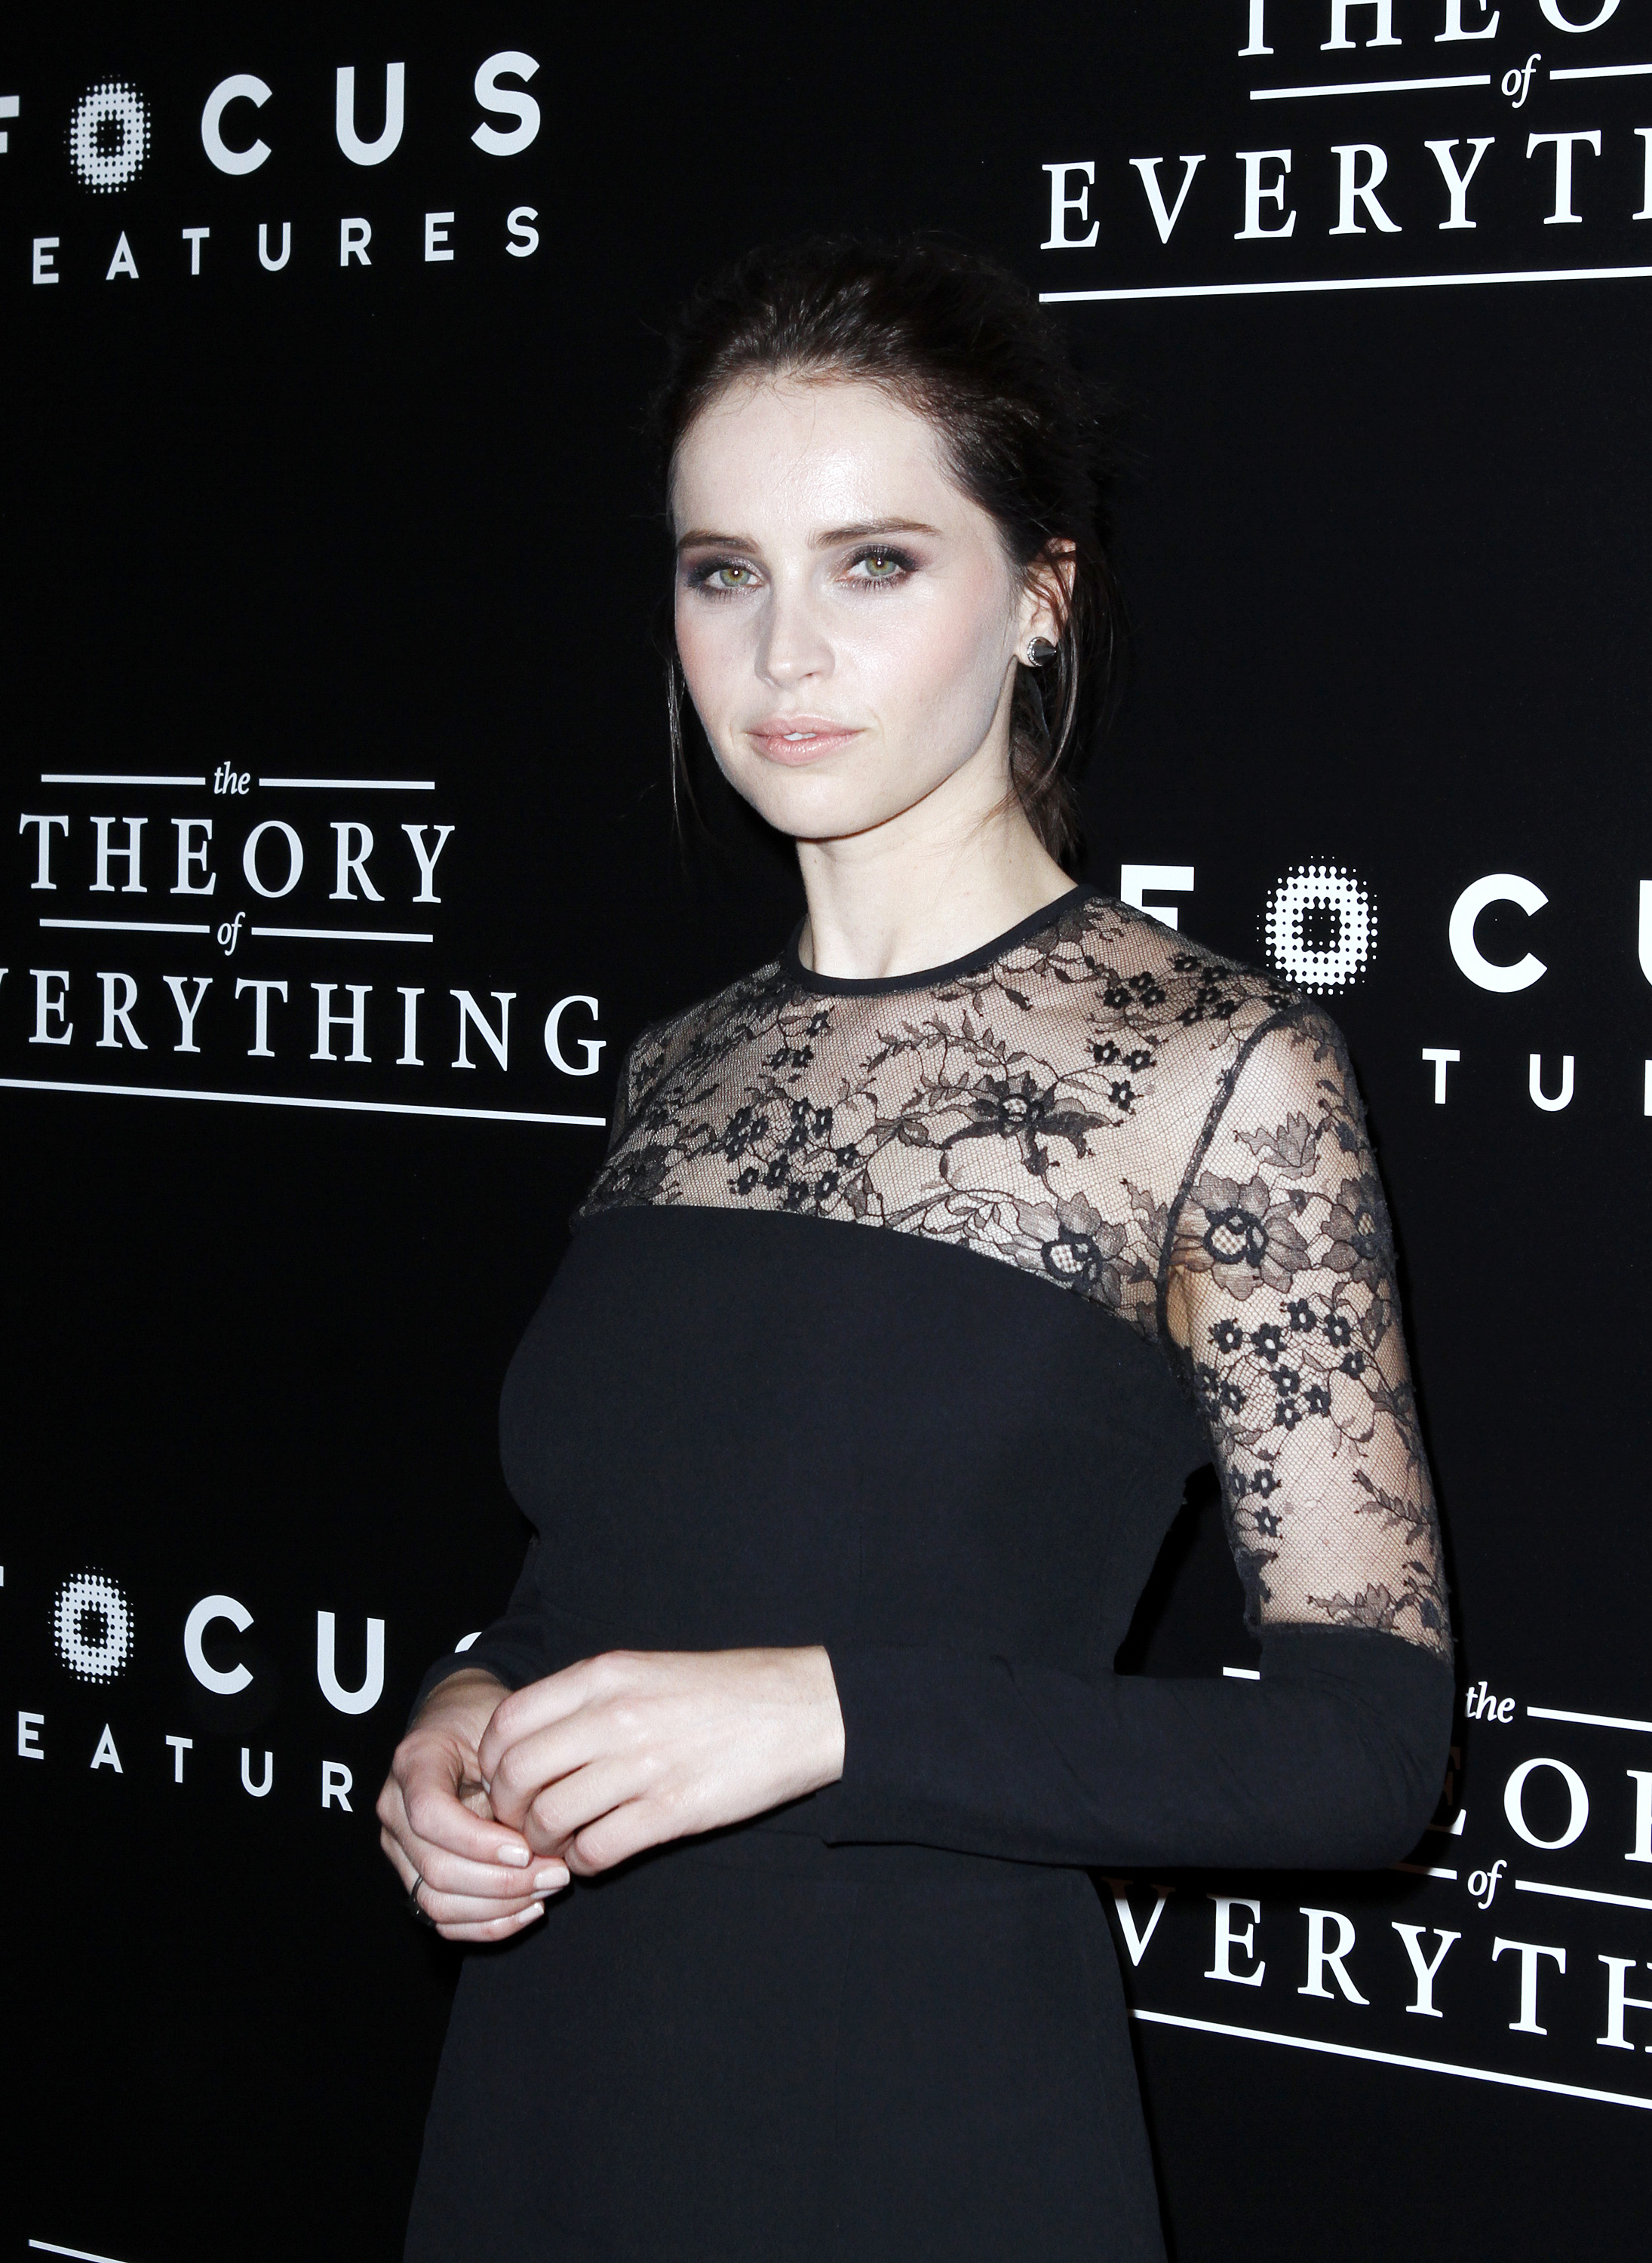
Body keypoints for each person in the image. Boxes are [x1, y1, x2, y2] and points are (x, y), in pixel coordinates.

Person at [378, 235, 1453, 2261]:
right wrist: (460, 1720)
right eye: (725, 572)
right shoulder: (681, 1066)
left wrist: (836, 1717)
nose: (783, 652)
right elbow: (593, 1588)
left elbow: (1363, 1750)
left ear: (1042, 596)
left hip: (914, 2124)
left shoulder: (1215, 1076)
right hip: (552, 2092)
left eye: (873, 563)